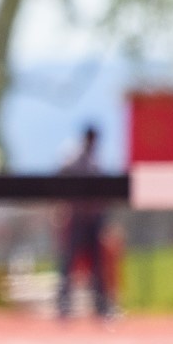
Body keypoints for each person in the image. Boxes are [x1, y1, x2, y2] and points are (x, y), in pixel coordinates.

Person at [55, 125, 114, 319]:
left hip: (94, 220)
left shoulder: (96, 162)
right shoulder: (74, 160)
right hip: (77, 218)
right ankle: (64, 306)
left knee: (97, 265)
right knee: (69, 263)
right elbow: (60, 177)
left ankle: (101, 307)